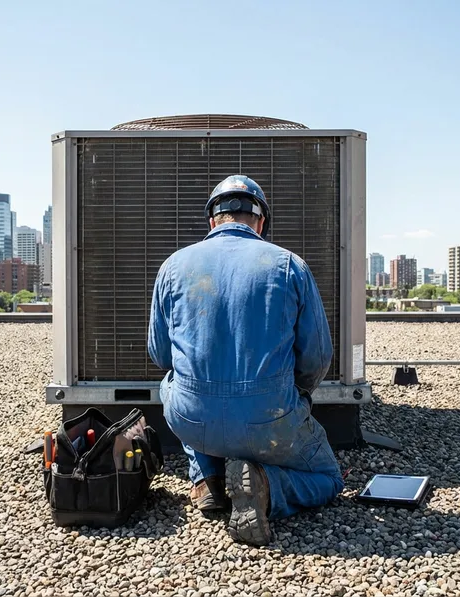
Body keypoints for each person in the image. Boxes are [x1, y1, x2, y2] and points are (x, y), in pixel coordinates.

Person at [147, 175, 344, 546]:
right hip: (271, 421)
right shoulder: (290, 266)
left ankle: (207, 479)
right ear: (261, 222)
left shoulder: (173, 266)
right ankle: (266, 484)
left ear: (212, 221)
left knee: (174, 382)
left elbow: (160, 355)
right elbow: (317, 357)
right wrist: (292, 397)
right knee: (329, 479)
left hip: (192, 421)